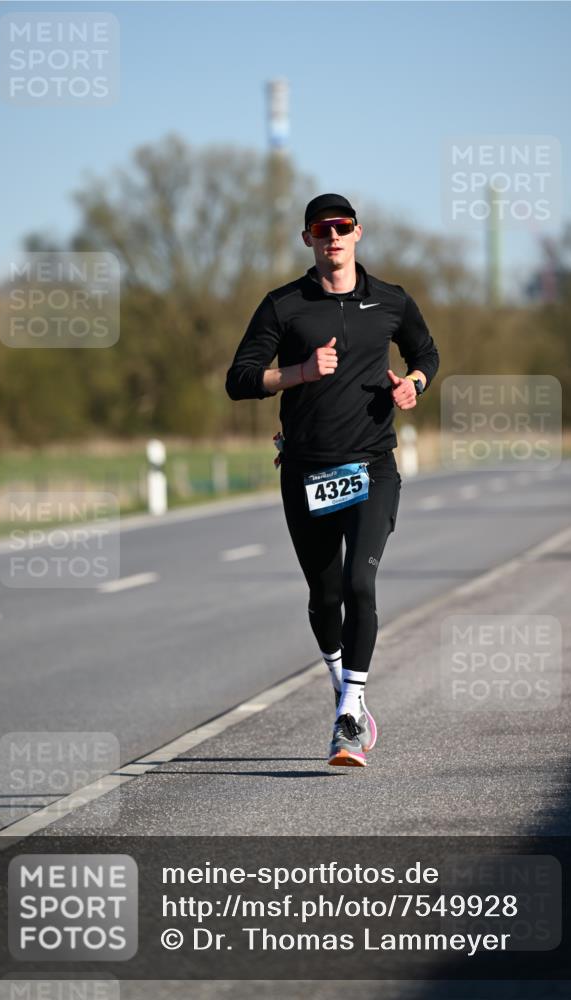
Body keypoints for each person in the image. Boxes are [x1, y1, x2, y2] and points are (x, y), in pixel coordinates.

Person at [226, 193, 439, 766]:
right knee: (323, 599)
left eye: (342, 228)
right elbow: (239, 380)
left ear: (358, 232)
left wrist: (413, 383)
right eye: (322, 230)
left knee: (359, 585)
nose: (333, 237)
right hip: (306, 472)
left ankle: (349, 713)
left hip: (372, 466)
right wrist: (298, 372)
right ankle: (345, 689)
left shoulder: (391, 301)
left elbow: (426, 352)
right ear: (308, 240)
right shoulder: (284, 306)